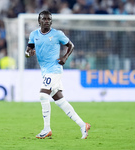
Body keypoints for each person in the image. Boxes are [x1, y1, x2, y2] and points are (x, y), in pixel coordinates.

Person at [25, 10, 91, 139]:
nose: (47, 21)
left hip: (54, 70)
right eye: (44, 19)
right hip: (45, 71)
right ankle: (83, 125)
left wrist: (65, 58)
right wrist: (29, 53)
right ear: (39, 21)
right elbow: (28, 51)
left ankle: (46, 128)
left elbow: (71, 45)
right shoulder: (34, 35)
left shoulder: (57, 34)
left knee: (43, 95)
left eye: (49, 19)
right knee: (60, 101)